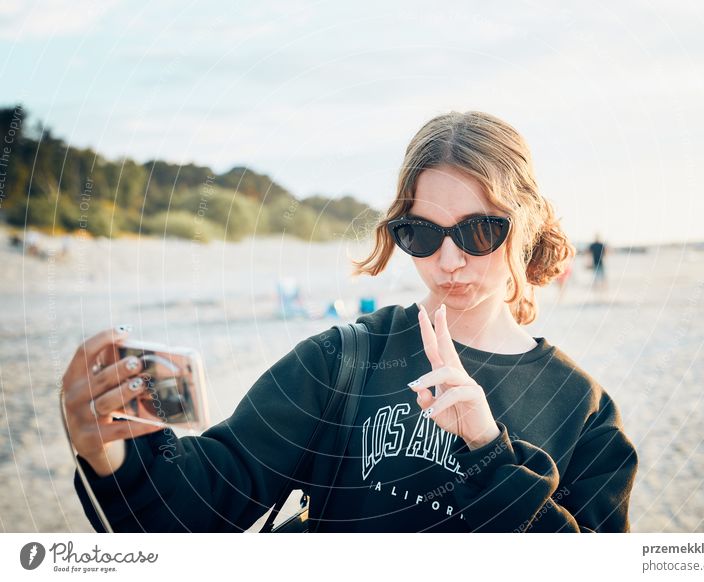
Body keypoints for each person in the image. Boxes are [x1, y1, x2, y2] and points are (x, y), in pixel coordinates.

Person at [63, 110, 638, 533]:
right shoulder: (344, 360)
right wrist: (108, 449)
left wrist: (490, 451)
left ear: (527, 221)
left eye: (479, 230)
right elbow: (208, 499)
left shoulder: (583, 410)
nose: (449, 261)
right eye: (422, 233)